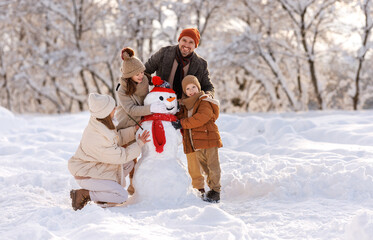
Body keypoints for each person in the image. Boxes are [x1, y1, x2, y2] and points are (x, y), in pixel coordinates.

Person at [68, 93, 150, 210]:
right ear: (105, 112)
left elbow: (116, 139)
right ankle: (85, 194)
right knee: (121, 195)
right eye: (113, 108)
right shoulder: (97, 137)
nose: (115, 109)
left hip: (95, 167)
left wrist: (133, 131)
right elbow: (120, 156)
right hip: (86, 174)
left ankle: (105, 195)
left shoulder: (101, 124)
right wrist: (139, 144)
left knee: (128, 164)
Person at [115, 47, 168, 195]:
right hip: (126, 124)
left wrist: (160, 84)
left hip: (142, 123)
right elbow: (131, 110)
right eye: (137, 74)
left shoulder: (144, 79)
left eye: (141, 72)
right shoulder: (122, 89)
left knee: (141, 153)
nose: (140, 76)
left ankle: (139, 184)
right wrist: (151, 108)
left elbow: (154, 83)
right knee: (129, 157)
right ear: (129, 75)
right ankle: (126, 185)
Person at [173, 75, 223, 203]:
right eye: (188, 88)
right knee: (205, 168)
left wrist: (182, 123)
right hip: (198, 142)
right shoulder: (187, 104)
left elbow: (201, 117)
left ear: (198, 87)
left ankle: (215, 191)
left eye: (193, 87)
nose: (191, 90)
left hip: (209, 139)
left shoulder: (204, 101)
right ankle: (209, 189)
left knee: (212, 166)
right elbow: (181, 116)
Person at [144, 28, 215, 99]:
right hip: (162, 101)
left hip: (186, 106)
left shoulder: (201, 64)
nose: (186, 45)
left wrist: (208, 94)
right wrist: (153, 82)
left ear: (195, 46)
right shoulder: (164, 53)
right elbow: (145, 71)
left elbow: (208, 86)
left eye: (191, 42)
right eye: (184, 40)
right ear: (179, 40)